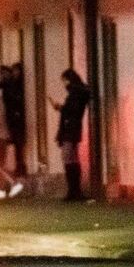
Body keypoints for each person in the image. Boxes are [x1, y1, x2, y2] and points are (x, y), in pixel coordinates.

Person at [52, 69, 91, 201]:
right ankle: (74, 190)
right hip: (70, 128)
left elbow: (73, 109)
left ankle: (74, 190)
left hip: (70, 128)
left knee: (69, 158)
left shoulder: (76, 92)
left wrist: (61, 108)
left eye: (64, 81)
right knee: (71, 158)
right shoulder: (78, 92)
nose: (64, 85)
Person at [0, 64, 28, 178]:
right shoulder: (3, 93)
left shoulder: (9, 90)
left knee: (6, 155)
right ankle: (3, 178)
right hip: (2, 130)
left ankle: (13, 173)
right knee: (0, 158)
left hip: (7, 128)